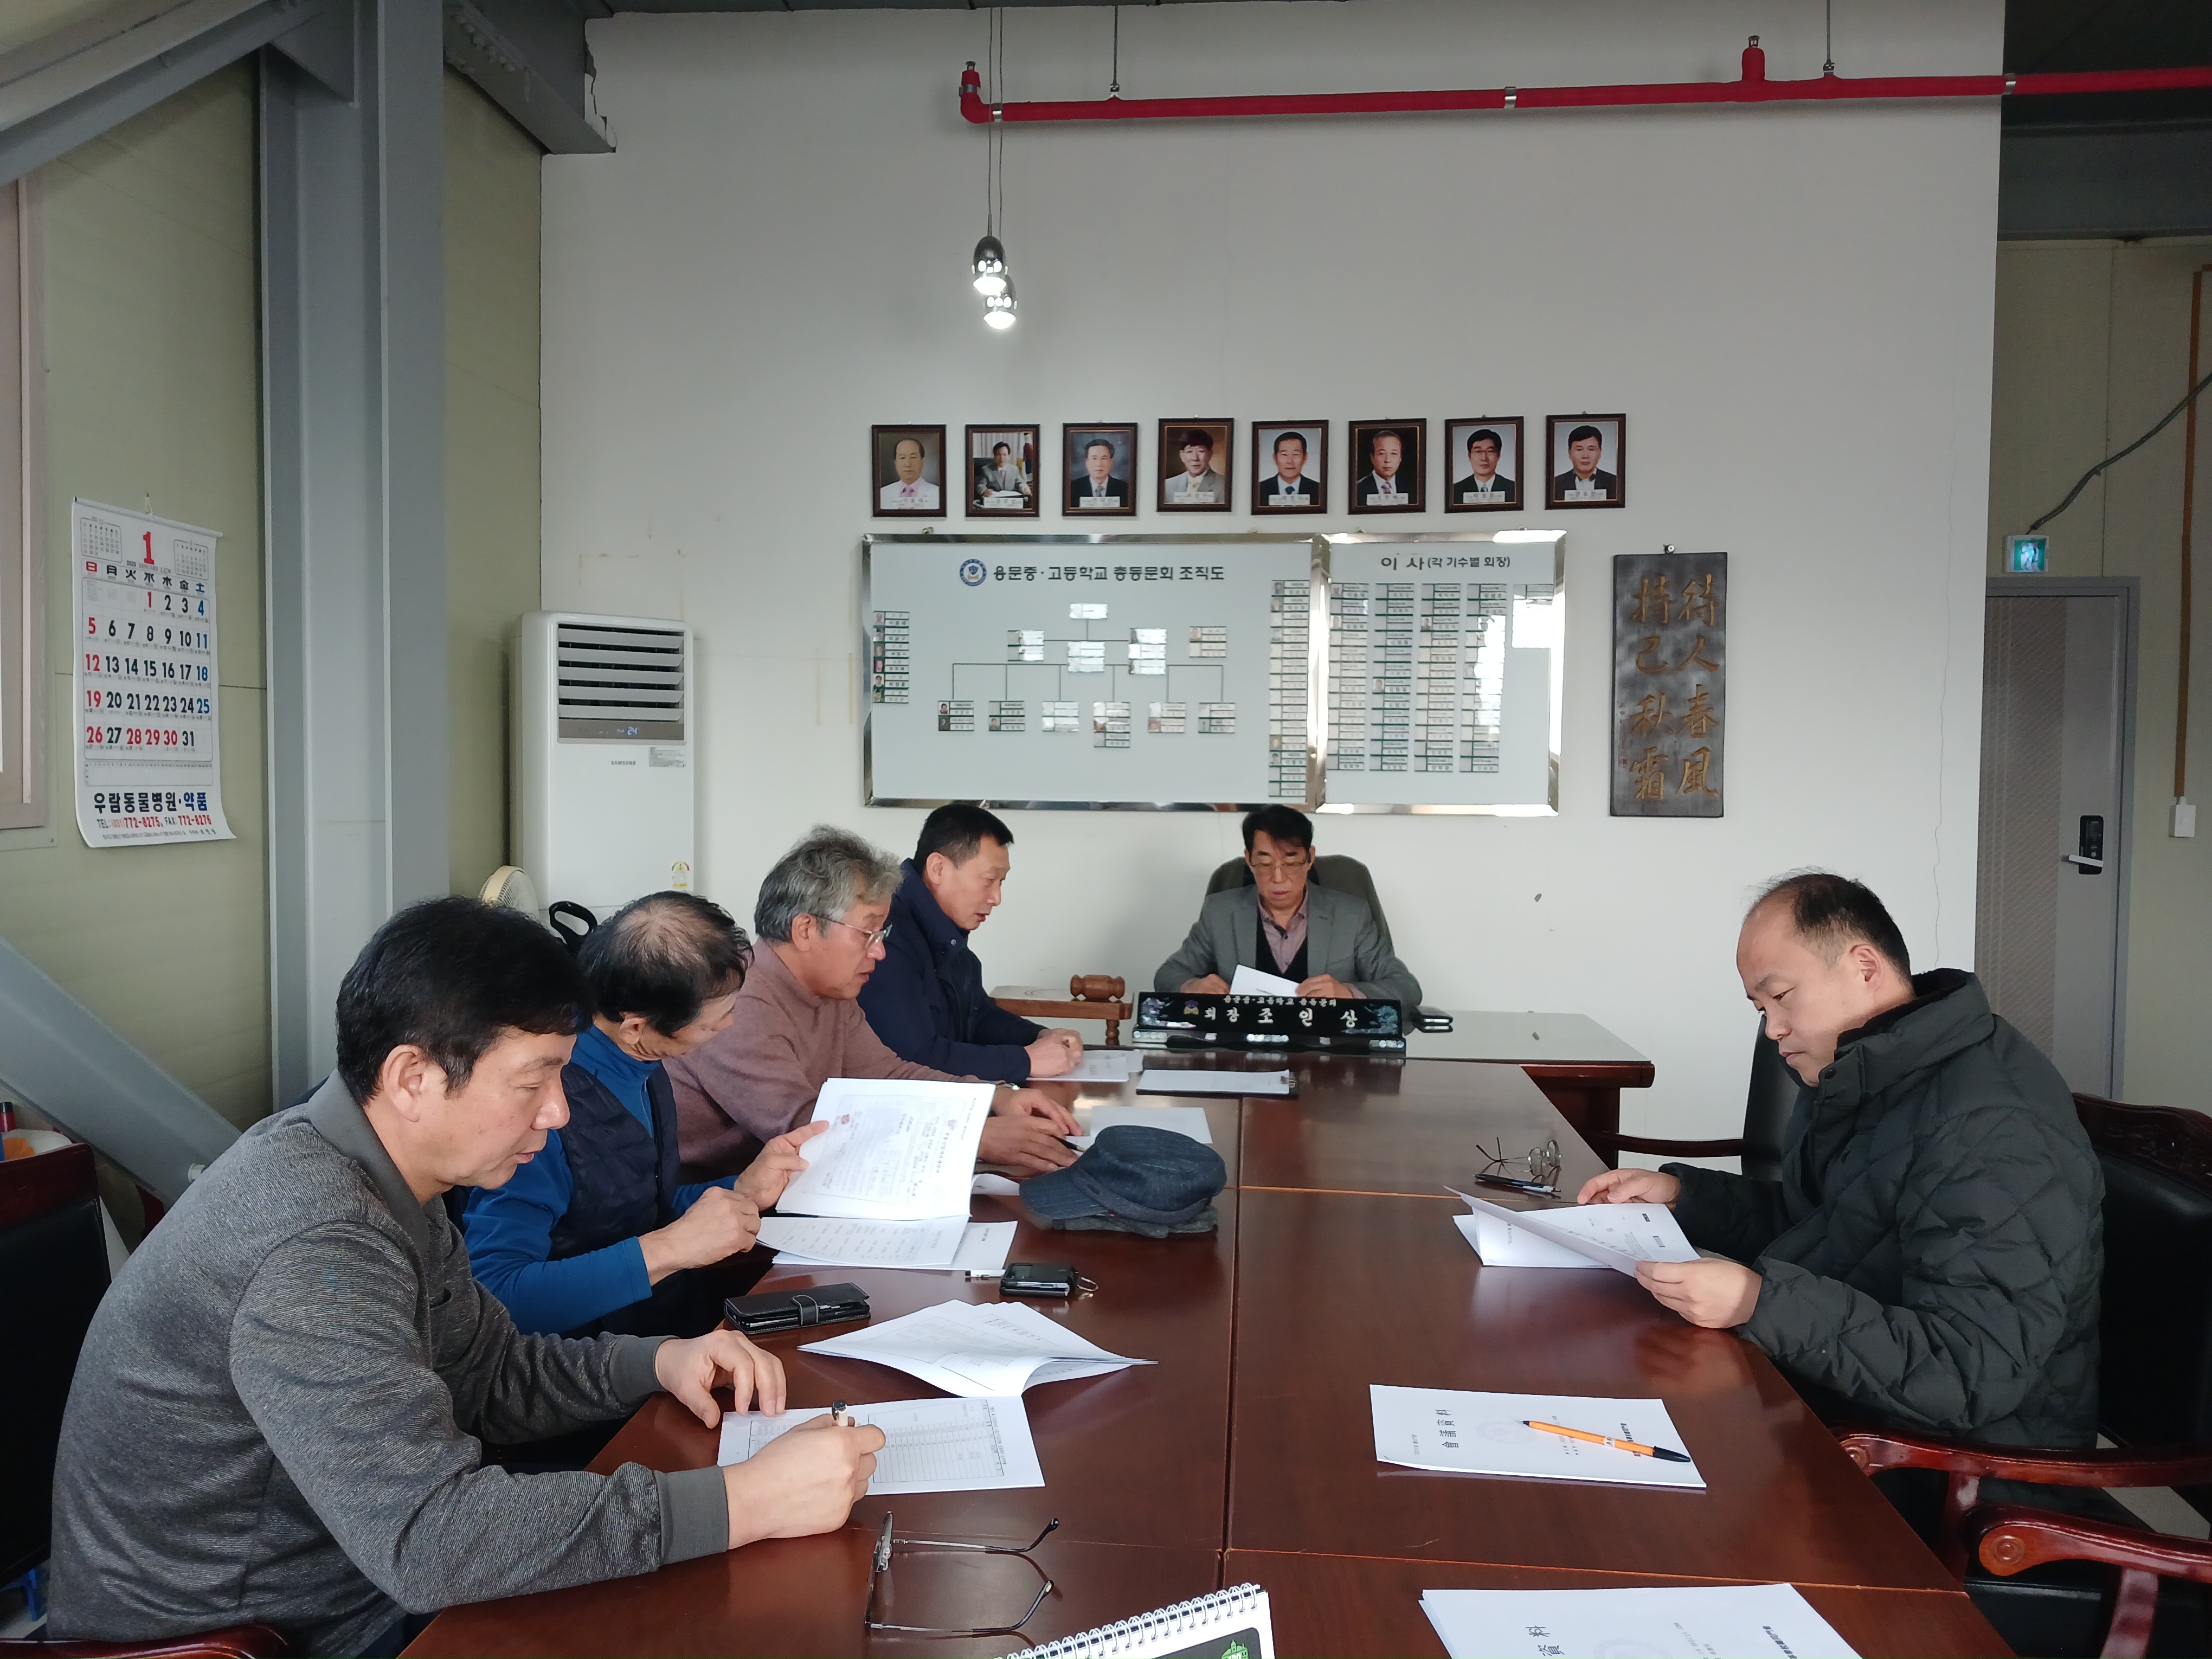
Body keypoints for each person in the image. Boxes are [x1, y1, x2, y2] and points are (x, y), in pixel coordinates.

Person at [47, 897, 882, 1659]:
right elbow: (432, 1541)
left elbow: (484, 1373)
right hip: (255, 1636)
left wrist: (658, 1361)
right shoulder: (314, 1243)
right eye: (532, 1082)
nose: (558, 1112)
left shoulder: (387, 1175)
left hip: (357, 1584)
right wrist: (745, 1503)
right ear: (413, 1078)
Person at [1579, 871, 2102, 1448]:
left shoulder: (1993, 1126)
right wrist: (1684, 1198)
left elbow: (1968, 1371)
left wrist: (1760, 1303)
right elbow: (1823, 1227)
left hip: (1951, 1464)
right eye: (1760, 1008)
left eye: (1781, 997)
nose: (1774, 1030)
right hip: (1840, 1400)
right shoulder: (1864, 1072)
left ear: (1865, 968)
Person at [461, 892, 823, 1339]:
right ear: (637, 1027)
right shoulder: (544, 1115)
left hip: (668, 1331)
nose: (728, 1026)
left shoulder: (644, 1067)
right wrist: (671, 1248)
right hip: (586, 1359)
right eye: (714, 1021)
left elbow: (641, 1208)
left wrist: (742, 1189)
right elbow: (498, 1297)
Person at [668, 826, 1081, 1183]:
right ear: (806, 930)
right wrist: (970, 1137)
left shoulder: (831, 989)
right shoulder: (739, 1003)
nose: (880, 953)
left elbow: (889, 1074)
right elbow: (805, 1129)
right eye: (868, 934)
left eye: (882, 935)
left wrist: (992, 1099)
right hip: (712, 1205)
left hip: (792, 1188)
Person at [858, 805, 1083, 1084]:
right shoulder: (887, 935)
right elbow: (914, 1058)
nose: (997, 898)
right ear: (938, 869)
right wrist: (1026, 1060)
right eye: (989, 880)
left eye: (1001, 882)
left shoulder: (946, 930)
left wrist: (1039, 1037)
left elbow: (978, 1016)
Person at [1153, 805, 1422, 1005]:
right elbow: (1169, 974)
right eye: (1265, 863)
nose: (1278, 878)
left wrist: (1348, 993)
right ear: (1249, 860)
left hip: (1327, 1051)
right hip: (1244, 1051)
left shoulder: (1350, 915)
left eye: (1291, 862)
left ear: (1310, 858)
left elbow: (1406, 988)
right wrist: (1192, 986)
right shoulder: (1221, 912)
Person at [1552, 422, 1618, 500]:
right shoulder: (1555, 484)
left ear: (1600, 453)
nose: (1585, 456)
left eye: (1591, 449)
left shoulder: (1615, 483)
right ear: (1570, 453)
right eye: (1579, 449)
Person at [1162, 427, 1226, 504]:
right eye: (1189, 452)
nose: (1195, 458)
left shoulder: (1224, 485)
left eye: (1201, 451)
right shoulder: (1168, 485)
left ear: (1210, 454)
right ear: (1182, 456)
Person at [1454, 427, 1516, 505]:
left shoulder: (1513, 489)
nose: (1484, 458)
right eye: (1478, 452)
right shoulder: (1455, 490)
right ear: (1470, 456)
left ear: (1499, 455)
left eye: (1490, 452)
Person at [1354, 427, 1415, 506]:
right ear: (1372, 458)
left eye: (1393, 454)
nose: (1388, 460)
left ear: (1400, 458)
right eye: (1382, 454)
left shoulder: (1412, 488)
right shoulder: (1357, 489)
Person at [1259, 429, 1320, 505]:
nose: (1290, 461)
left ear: (1305, 458)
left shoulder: (1319, 490)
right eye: (1284, 455)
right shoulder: (1259, 490)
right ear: (1275, 458)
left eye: (1296, 454)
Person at [879, 435, 940, 510]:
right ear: (896, 463)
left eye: (913, 457)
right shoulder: (882, 494)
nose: (908, 464)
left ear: (922, 461)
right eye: (902, 458)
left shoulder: (938, 493)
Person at [1070, 435, 1130, 508]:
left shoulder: (1125, 489)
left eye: (1104, 459)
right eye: (1094, 458)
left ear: (1111, 462)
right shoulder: (1073, 488)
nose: (1099, 464)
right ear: (1087, 462)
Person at [975, 440, 1032, 505]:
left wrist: (1024, 488)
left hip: (1010, 502)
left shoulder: (1014, 469)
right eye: (999, 455)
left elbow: (1020, 482)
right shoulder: (986, 470)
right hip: (994, 502)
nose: (1002, 458)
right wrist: (985, 491)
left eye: (1005, 455)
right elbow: (980, 485)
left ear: (1009, 456)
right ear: (995, 456)